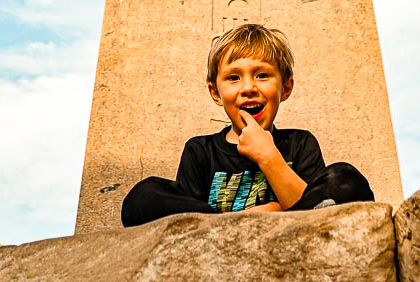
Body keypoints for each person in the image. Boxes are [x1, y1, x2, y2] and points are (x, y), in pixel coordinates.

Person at [121, 23, 374, 227]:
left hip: (291, 240)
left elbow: (317, 208)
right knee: (143, 196)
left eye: (262, 75)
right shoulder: (200, 150)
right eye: (233, 78)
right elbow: (185, 220)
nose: (249, 88)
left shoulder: (300, 143)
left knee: (346, 179)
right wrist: (262, 214)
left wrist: (268, 156)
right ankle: (229, 224)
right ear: (216, 93)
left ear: (285, 88)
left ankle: (229, 224)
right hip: (216, 246)